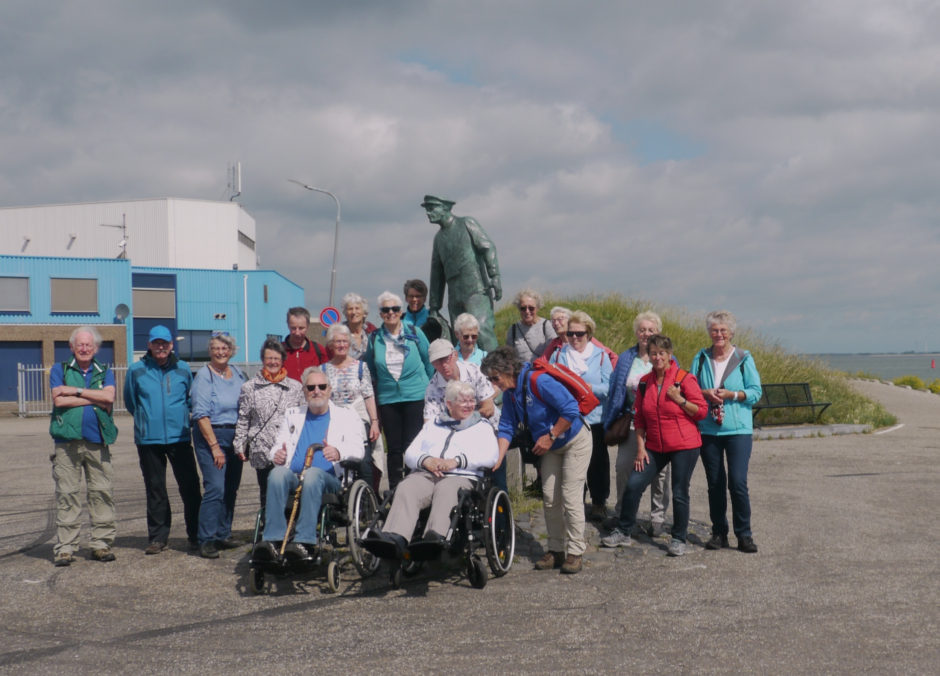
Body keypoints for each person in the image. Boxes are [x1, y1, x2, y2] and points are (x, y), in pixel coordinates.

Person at [484, 346, 592, 575]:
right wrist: (498, 458)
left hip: (574, 440)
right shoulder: (510, 392)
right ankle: (556, 550)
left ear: (509, 369)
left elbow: (571, 409)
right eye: (490, 379)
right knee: (550, 497)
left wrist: (551, 436)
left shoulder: (538, 381)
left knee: (571, 496)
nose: (493, 384)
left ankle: (575, 552)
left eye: (495, 378)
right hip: (550, 445)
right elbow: (506, 426)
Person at [601, 335, 707, 557]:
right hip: (655, 445)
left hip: (684, 445)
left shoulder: (684, 379)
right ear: (648, 356)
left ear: (670, 354)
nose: (658, 357)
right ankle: (624, 532)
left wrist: (680, 400)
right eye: (653, 353)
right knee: (633, 485)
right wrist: (641, 449)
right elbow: (639, 418)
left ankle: (678, 539)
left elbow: (701, 412)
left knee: (679, 492)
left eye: (662, 353)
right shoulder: (644, 382)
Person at [365, 380, 498, 556]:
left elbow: (491, 457)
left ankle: (435, 536)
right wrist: (426, 460)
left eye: (471, 400)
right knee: (407, 486)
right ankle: (395, 537)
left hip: (461, 476)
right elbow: (411, 452)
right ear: (449, 404)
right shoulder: (433, 424)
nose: (469, 405)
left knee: (447, 488)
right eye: (463, 401)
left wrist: (457, 461)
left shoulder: (482, 427)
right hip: (427, 474)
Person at [254, 369, 365, 561]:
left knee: (312, 474)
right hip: (295, 479)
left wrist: (339, 452)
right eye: (311, 387)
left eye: (321, 386)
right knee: (277, 474)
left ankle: (304, 541)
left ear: (329, 389)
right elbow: (277, 446)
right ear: (304, 391)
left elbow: (359, 450)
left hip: (329, 481)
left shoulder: (347, 415)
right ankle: (273, 540)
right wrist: (277, 455)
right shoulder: (292, 414)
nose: (317, 391)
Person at [124, 325, 202, 555]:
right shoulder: (136, 370)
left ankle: (197, 535)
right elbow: (131, 401)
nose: (161, 347)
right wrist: (146, 419)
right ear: (149, 345)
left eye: (165, 343)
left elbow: (190, 399)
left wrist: (181, 417)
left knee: (190, 487)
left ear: (171, 345)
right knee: (155, 489)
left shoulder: (183, 369)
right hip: (149, 440)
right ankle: (158, 538)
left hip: (179, 436)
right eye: (156, 343)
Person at [690, 311, 762, 554]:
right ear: (709, 332)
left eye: (723, 330)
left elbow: (756, 392)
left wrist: (734, 395)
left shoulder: (743, 357)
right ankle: (719, 533)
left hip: (738, 430)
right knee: (715, 484)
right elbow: (690, 389)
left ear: (731, 333)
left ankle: (744, 535)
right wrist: (705, 393)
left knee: (738, 482)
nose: (718, 334)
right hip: (708, 429)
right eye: (714, 330)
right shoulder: (700, 358)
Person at [47, 326, 118, 566]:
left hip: (98, 440)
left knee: (102, 492)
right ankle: (65, 548)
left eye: (89, 345)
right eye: (80, 345)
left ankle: (101, 544)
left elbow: (109, 397)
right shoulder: (60, 369)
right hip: (67, 442)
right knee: (67, 494)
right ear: (72, 347)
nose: (84, 348)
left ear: (96, 348)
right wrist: (93, 397)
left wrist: (74, 391)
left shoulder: (104, 371)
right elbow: (59, 400)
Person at [601, 311, 674, 534]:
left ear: (658, 332)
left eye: (651, 330)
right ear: (636, 332)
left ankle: (658, 518)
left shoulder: (666, 358)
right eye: (642, 330)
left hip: (660, 423)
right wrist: (612, 417)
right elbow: (616, 389)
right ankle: (622, 513)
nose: (646, 334)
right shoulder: (626, 358)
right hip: (632, 421)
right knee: (624, 466)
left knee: (660, 473)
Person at [363, 291, 434, 490]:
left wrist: (427, 387)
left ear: (401, 311)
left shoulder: (415, 332)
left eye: (395, 309)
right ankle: (394, 490)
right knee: (394, 449)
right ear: (381, 313)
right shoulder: (374, 338)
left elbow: (429, 361)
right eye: (386, 310)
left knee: (412, 445)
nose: (391, 313)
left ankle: (414, 488)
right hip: (388, 398)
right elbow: (371, 368)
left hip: (416, 396)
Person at [547, 311, 613, 522]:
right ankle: (575, 503)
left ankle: (599, 502)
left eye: (579, 334)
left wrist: (588, 387)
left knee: (597, 462)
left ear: (589, 334)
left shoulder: (600, 356)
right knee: (571, 462)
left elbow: (609, 387)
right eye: (570, 333)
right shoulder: (559, 355)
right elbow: (549, 383)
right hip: (568, 419)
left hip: (594, 419)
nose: (574, 338)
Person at [190, 333, 247, 559]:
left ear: (231, 350)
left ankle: (223, 534)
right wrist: (214, 447)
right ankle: (206, 539)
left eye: (225, 348)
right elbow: (200, 414)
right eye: (216, 348)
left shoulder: (239, 373)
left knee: (231, 488)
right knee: (215, 488)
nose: (220, 352)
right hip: (211, 435)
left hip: (235, 436)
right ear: (210, 351)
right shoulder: (204, 376)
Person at [233, 338, 305, 514]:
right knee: (266, 493)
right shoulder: (249, 387)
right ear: (263, 360)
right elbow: (244, 418)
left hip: (288, 450)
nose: (273, 362)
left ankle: (289, 526)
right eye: (269, 358)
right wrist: (239, 444)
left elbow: (303, 418)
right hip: (262, 449)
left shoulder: (296, 387)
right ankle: (268, 526)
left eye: (276, 358)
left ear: (282, 360)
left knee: (290, 492)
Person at [424, 195, 502, 352]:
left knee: (482, 331)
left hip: (476, 290)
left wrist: (494, 275)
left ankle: (496, 366)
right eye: (427, 209)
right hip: (454, 297)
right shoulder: (438, 239)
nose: (428, 212)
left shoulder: (467, 223)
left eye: (431, 208)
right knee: (459, 337)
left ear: (445, 209)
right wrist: (434, 306)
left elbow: (488, 247)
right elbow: (436, 273)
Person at [321, 323, 384, 490]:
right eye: (337, 341)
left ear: (349, 344)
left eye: (345, 341)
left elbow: (368, 396)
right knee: (337, 463)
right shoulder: (323, 369)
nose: (342, 345)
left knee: (364, 463)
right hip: (335, 422)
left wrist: (374, 423)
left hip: (359, 421)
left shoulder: (361, 367)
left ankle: (367, 499)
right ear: (330, 345)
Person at [424, 339, 498, 429]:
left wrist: (463, 423)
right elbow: (429, 423)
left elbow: (488, 409)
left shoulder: (475, 371)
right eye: (438, 361)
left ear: (455, 355)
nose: (443, 364)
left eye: (447, 358)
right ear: (432, 364)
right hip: (453, 431)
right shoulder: (432, 388)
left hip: (487, 426)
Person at [540, 306, 618, 368]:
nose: (556, 323)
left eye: (560, 319)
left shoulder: (586, 339)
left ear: (569, 320)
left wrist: (612, 375)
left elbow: (612, 356)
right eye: (553, 321)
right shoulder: (556, 343)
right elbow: (542, 362)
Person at [505, 289, 555, 361]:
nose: (527, 311)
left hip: (542, 367)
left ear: (537, 307)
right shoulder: (513, 329)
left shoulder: (546, 325)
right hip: (521, 368)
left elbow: (554, 351)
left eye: (531, 308)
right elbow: (509, 357)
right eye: (523, 308)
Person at [282, 307, 329, 381]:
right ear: (288, 325)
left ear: (307, 326)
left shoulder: (319, 350)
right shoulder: (279, 350)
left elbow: (326, 377)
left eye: (301, 328)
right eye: (293, 328)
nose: (297, 333)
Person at [341, 292, 377, 360]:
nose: (354, 312)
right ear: (345, 313)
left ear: (364, 313)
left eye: (357, 308)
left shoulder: (373, 334)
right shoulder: (338, 334)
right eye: (350, 309)